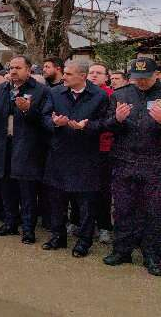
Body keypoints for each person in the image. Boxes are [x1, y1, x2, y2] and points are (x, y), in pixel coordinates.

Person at [42, 61, 109, 258]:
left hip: (86, 156)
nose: (64, 77)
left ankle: (84, 242)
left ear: (83, 76)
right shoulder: (55, 93)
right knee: (57, 200)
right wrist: (54, 122)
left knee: (86, 204)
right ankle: (58, 236)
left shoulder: (99, 96)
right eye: (64, 73)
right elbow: (44, 117)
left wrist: (86, 126)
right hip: (59, 154)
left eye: (69, 74)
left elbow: (106, 123)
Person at [102, 58, 161, 276]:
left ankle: (152, 255)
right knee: (122, 208)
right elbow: (106, 125)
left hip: (155, 163)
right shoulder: (121, 94)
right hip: (124, 161)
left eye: (145, 78)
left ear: (157, 75)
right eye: (137, 78)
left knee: (153, 211)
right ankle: (121, 250)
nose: (141, 82)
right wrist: (116, 120)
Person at [0, 55, 52, 244]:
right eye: (11, 68)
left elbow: (45, 121)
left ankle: (28, 229)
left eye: (18, 68)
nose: (13, 71)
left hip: (27, 147)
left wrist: (27, 110)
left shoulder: (41, 91)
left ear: (28, 70)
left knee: (27, 191)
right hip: (4, 146)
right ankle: (10, 223)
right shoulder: (1, 89)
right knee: (6, 188)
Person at [87, 63, 114, 244]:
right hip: (82, 148)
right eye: (91, 72)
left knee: (103, 190)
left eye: (98, 73)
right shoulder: (81, 93)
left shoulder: (111, 95)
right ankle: (81, 222)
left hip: (104, 148)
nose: (94, 75)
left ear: (106, 77)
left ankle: (104, 226)